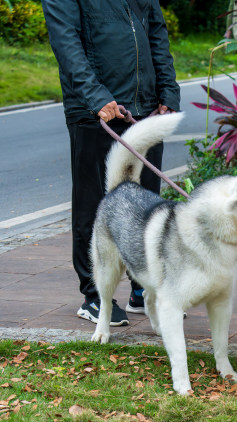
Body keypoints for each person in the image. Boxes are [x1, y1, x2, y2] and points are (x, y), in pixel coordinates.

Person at [42, 0, 181, 326]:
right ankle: (94, 296)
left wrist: (168, 93)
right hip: (96, 112)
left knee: (147, 203)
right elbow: (66, 42)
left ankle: (142, 289)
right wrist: (95, 97)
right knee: (95, 206)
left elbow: (157, 33)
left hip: (145, 107)